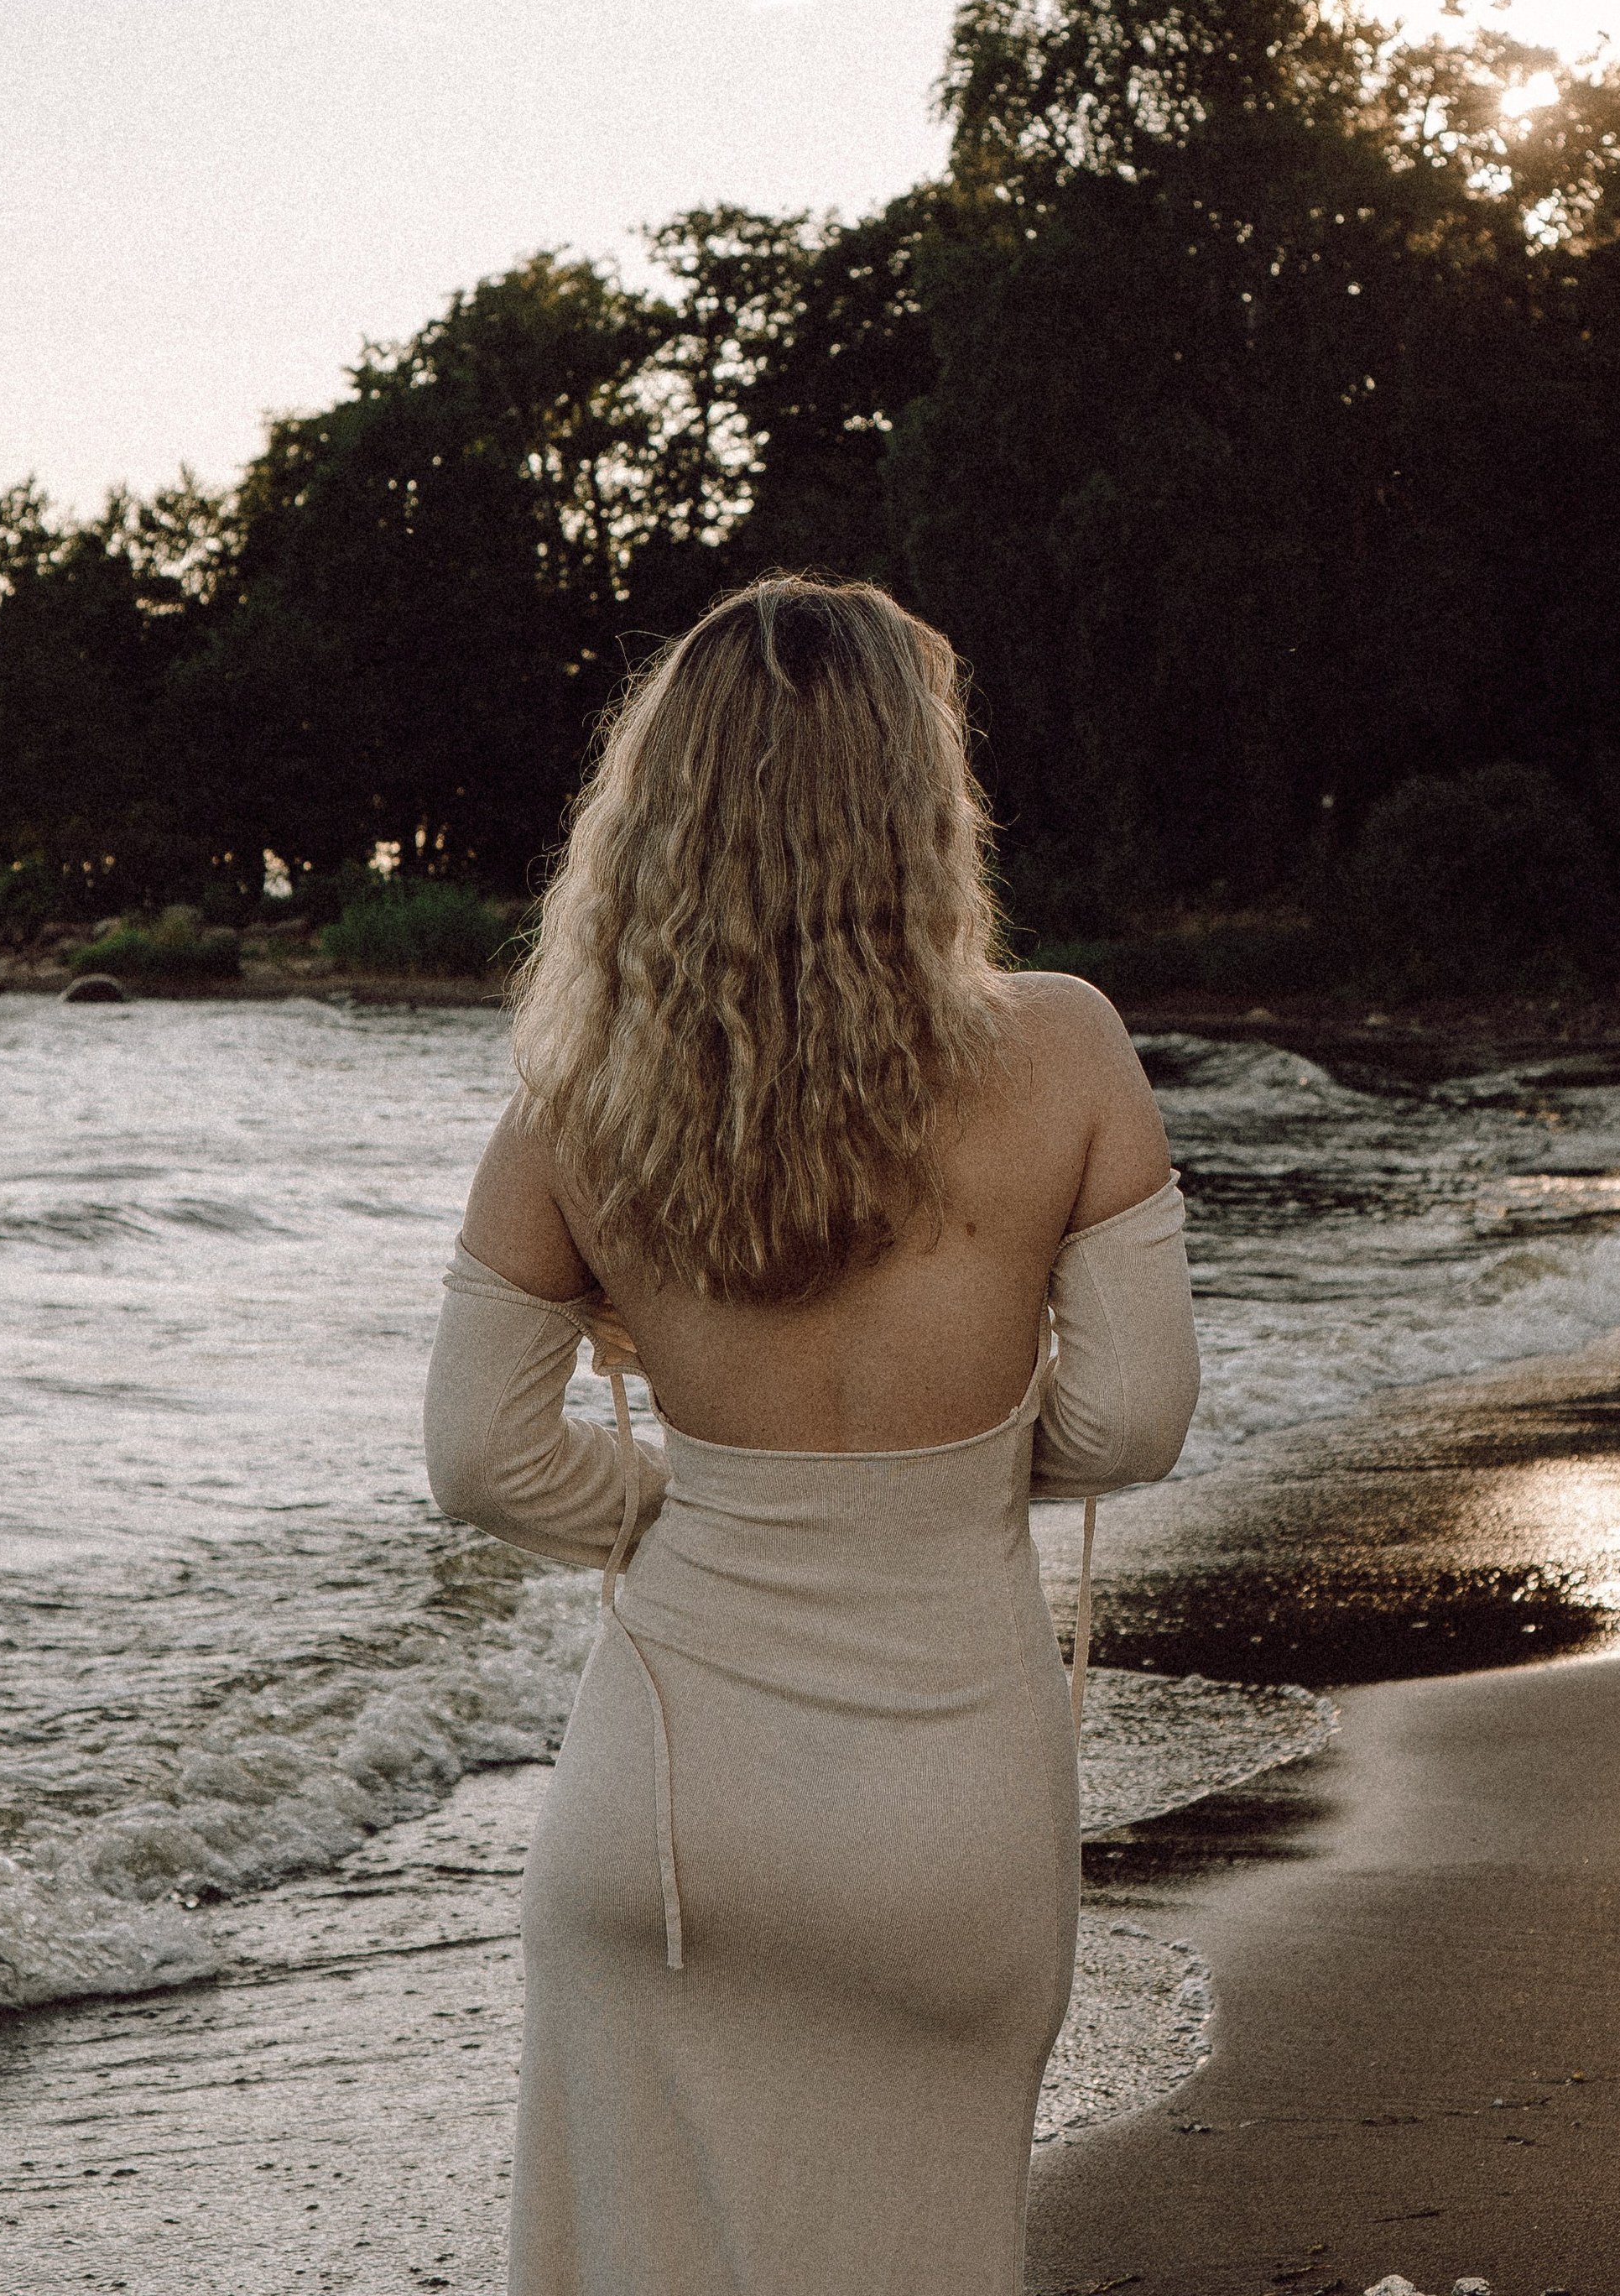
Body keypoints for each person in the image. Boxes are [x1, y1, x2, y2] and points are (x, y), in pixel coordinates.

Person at [423, 575, 1200, 2296]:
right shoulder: (1062, 1047)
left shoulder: (574, 1101)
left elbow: (480, 1456)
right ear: (921, 798)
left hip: (667, 1827)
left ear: (661, 804)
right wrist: (943, 1476)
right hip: (944, 1825)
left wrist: (714, 1499)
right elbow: (1132, 1419)